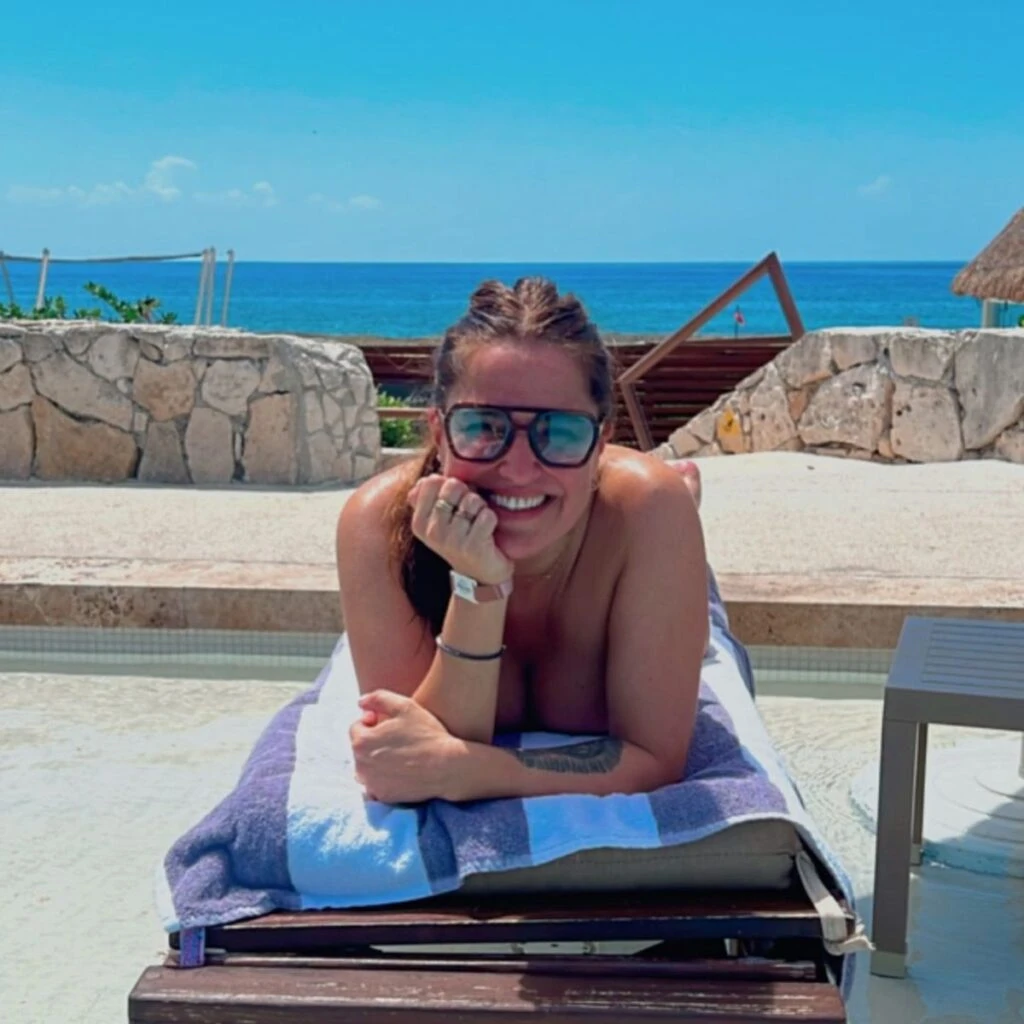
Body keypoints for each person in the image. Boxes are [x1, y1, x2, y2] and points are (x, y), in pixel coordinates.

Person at [336, 277, 710, 805]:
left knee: (670, 512)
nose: (516, 469)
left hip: (633, 527)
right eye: (484, 427)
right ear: (439, 433)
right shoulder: (379, 524)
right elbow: (411, 753)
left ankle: (685, 498)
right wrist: (480, 584)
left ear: (602, 439)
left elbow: (657, 758)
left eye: (559, 432)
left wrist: (468, 771)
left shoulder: (649, 512)